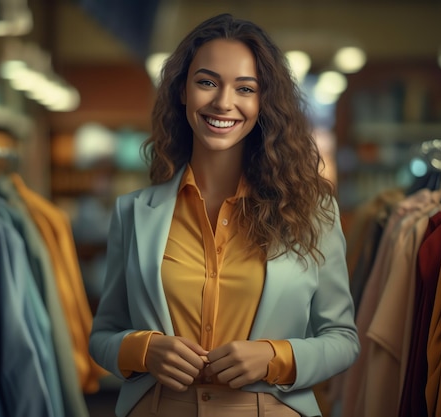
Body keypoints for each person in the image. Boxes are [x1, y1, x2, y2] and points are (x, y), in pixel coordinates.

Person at [89, 13, 360, 417]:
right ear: (183, 90)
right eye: (207, 82)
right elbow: (103, 336)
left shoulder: (313, 213)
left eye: (245, 88)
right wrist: (144, 350)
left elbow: (342, 340)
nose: (223, 102)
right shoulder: (133, 212)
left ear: (262, 101)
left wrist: (274, 356)